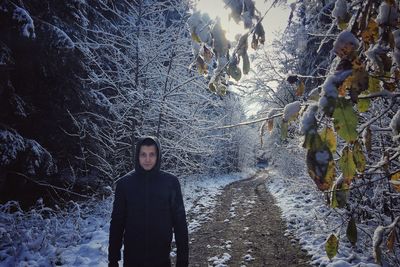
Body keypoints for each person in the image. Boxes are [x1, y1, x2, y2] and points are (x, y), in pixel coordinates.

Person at [108, 136, 189, 267]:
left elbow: (180, 223)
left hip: (161, 260)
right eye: (143, 154)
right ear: (137, 156)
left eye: (152, 154)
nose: (147, 159)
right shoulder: (125, 184)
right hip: (132, 260)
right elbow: (117, 222)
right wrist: (113, 258)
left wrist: (183, 260)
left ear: (158, 156)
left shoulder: (170, 182)